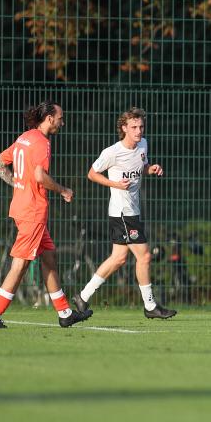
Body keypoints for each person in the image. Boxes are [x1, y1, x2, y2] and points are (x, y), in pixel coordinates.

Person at [0, 101, 92, 329]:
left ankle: (65, 313)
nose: (63, 122)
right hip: (33, 212)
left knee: (49, 257)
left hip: (22, 208)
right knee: (20, 266)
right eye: (60, 118)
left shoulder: (25, 137)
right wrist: (63, 190)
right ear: (50, 118)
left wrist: (18, 184)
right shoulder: (42, 142)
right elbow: (40, 176)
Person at [71, 108, 175, 319]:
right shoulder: (112, 152)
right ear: (124, 128)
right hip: (122, 212)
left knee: (118, 258)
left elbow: (142, 167)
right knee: (144, 256)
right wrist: (116, 184)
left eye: (141, 126)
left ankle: (83, 296)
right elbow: (92, 174)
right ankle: (150, 306)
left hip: (132, 212)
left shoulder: (143, 144)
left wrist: (151, 169)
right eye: (134, 127)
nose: (138, 131)